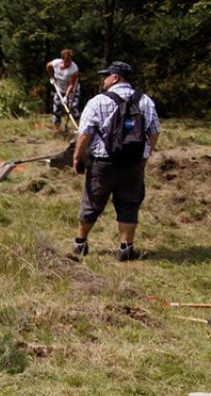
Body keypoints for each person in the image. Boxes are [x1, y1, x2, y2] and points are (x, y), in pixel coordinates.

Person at [71, 61, 160, 262]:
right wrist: (145, 155)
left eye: (106, 76)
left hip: (102, 163)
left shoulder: (97, 101)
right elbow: (154, 132)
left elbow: (85, 133)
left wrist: (77, 156)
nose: (103, 80)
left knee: (92, 202)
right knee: (129, 204)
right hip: (134, 163)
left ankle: (80, 243)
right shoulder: (145, 101)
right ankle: (126, 247)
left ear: (115, 78)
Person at [47, 49, 80, 131]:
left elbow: (71, 85)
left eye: (70, 60)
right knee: (56, 109)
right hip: (59, 89)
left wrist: (66, 96)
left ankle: (79, 129)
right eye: (66, 60)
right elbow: (48, 66)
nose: (68, 62)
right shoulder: (56, 63)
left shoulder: (74, 69)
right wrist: (51, 77)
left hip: (72, 91)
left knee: (73, 109)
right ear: (62, 59)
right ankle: (56, 130)